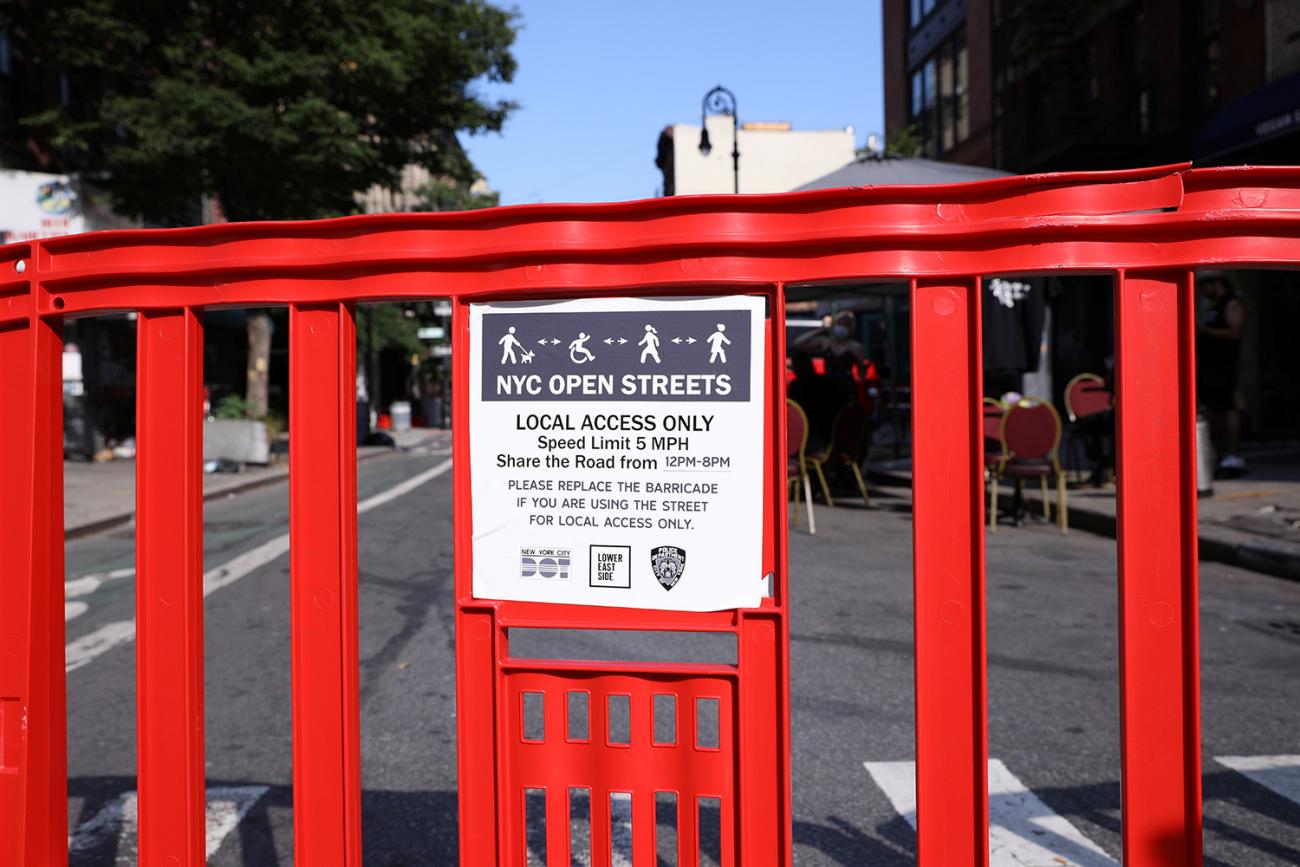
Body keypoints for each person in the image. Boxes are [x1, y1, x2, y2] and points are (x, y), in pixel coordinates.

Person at [1196, 271, 1246, 477]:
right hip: (1209, 366)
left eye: (1204, 286)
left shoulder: (1231, 303)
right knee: (1213, 410)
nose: (1202, 291)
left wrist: (1202, 330)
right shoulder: (1212, 307)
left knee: (1226, 408)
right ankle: (1221, 454)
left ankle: (1232, 455)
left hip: (1224, 365)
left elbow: (1235, 332)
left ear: (1216, 283)